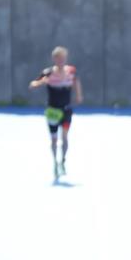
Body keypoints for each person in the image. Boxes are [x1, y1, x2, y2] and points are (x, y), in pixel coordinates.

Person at [29, 46, 82, 180]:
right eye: (58, 59)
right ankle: (55, 162)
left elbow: (76, 81)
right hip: (53, 111)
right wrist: (42, 82)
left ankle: (63, 160)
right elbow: (33, 84)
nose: (61, 61)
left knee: (64, 137)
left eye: (63, 59)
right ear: (54, 59)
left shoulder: (71, 71)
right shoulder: (48, 72)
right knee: (54, 139)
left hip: (66, 110)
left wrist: (79, 95)